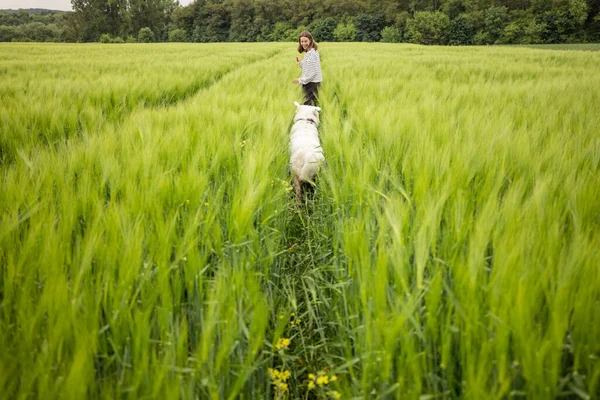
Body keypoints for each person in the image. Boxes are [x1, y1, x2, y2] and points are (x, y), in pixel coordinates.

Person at [292, 31, 322, 106]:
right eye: (301, 41)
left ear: (310, 40)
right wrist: (301, 62)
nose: (303, 43)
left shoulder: (312, 53)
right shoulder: (309, 52)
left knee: (307, 107)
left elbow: (313, 73)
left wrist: (300, 80)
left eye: (306, 41)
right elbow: (308, 67)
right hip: (310, 83)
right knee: (309, 106)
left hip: (312, 84)